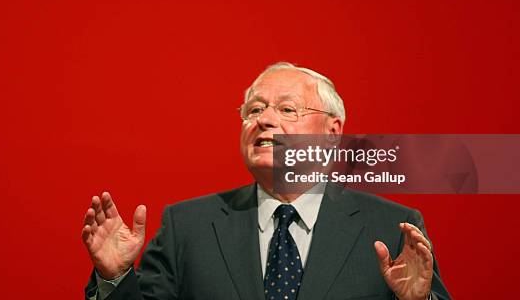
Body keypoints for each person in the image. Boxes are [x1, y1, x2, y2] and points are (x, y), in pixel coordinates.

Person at [82, 62, 451, 300]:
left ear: (333, 132)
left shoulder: (391, 226)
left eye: (287, 109)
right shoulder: (188, 227)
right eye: (254, 110)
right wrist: (115, 278)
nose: (264, 120)